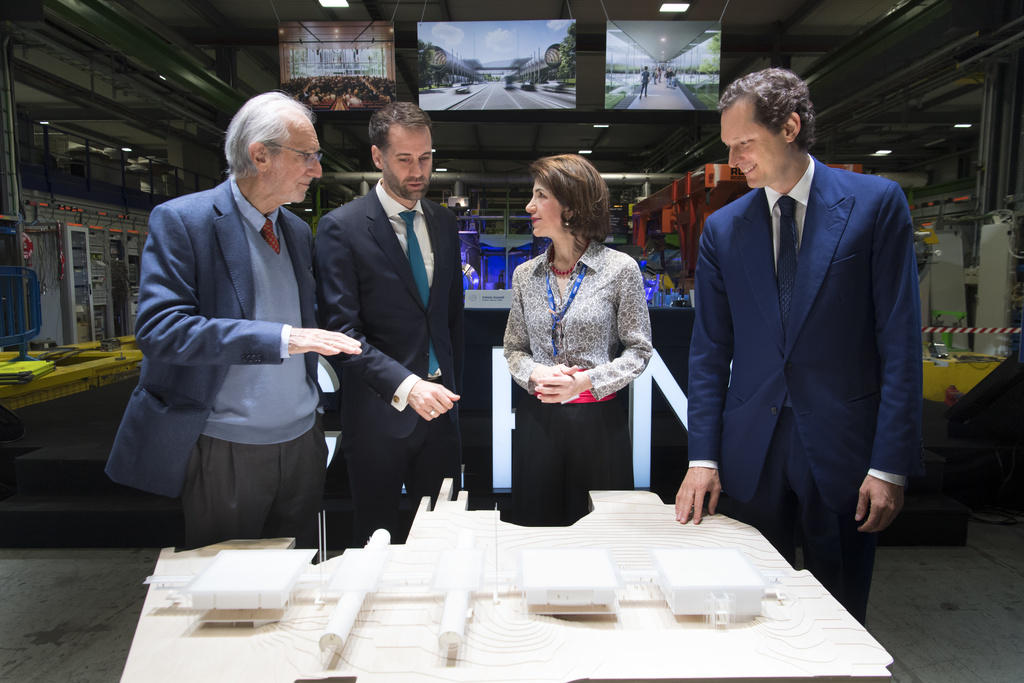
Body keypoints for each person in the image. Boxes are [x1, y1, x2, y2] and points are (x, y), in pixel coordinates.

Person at [674, 68, 922, 624]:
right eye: (729, 146)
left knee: (839, 613)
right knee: (745, 608)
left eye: (745, 144)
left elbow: (900, 342)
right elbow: (711, 352)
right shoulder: (723, 229)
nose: (735, 160)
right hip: (751, 458)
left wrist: (890, 466)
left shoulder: (876, 205)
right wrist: (702, 458)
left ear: (789, 127)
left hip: (844, 454)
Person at [106, 92, 362, 549]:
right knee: (227, 590)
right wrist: (282, 339)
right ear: (260, 155)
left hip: (302, 441)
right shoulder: (185, 221)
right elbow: (162, 330)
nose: (317, 170)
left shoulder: (296, 231)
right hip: (225, 446)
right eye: (307, 156)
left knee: (299, 577)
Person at [315, 102, 464, 545]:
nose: (419, 171)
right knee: (374, 539)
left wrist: (452, 389)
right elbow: (342, 332)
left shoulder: (443, 222)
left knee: (440, 538)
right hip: (380, 415)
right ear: (378, 157)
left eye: (426, 158)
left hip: (441, 411)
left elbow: (451, 319)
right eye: (405, 159)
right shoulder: (341, 228)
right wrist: (407, 386)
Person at [504, 154, 652, 526]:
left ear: (570, 205)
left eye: (540, 196)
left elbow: (639, 350)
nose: (530, 206)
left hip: (600, 426)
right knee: (537, 531)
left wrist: (586, 381)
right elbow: (514, 348)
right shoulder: (526, 275)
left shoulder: (620, 270)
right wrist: (535, 374)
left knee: (602, 534)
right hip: (538, 423)